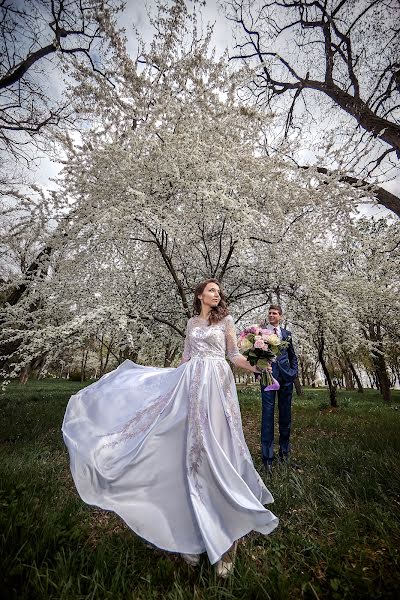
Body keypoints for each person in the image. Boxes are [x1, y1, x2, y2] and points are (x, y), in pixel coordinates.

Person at [62, 279, 278, 578]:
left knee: (219, 448)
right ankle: (190, 531)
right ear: (200, 295)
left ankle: (227, 537)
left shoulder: (226, 320)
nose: (217, 294)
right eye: (212, 290)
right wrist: (163, 384)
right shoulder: (191, 323)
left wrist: (257, 365)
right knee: (188, 450)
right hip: (189, 384)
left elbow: (232, 355)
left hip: (217, 385)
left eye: (219, 291)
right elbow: (186, 358)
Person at [260, 305, 298, 475]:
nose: (271, 315)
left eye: (274, 313)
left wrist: (293, 373)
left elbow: (292, 356)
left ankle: (284, 454)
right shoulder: (260, 333)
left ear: (280, 316)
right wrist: (260, 371)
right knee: (267, 417)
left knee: (285, 417)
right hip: (268, 378)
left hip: (286, 380)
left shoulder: (286, 334)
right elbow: (255, 355)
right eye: (269, 313)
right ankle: (267, 459)